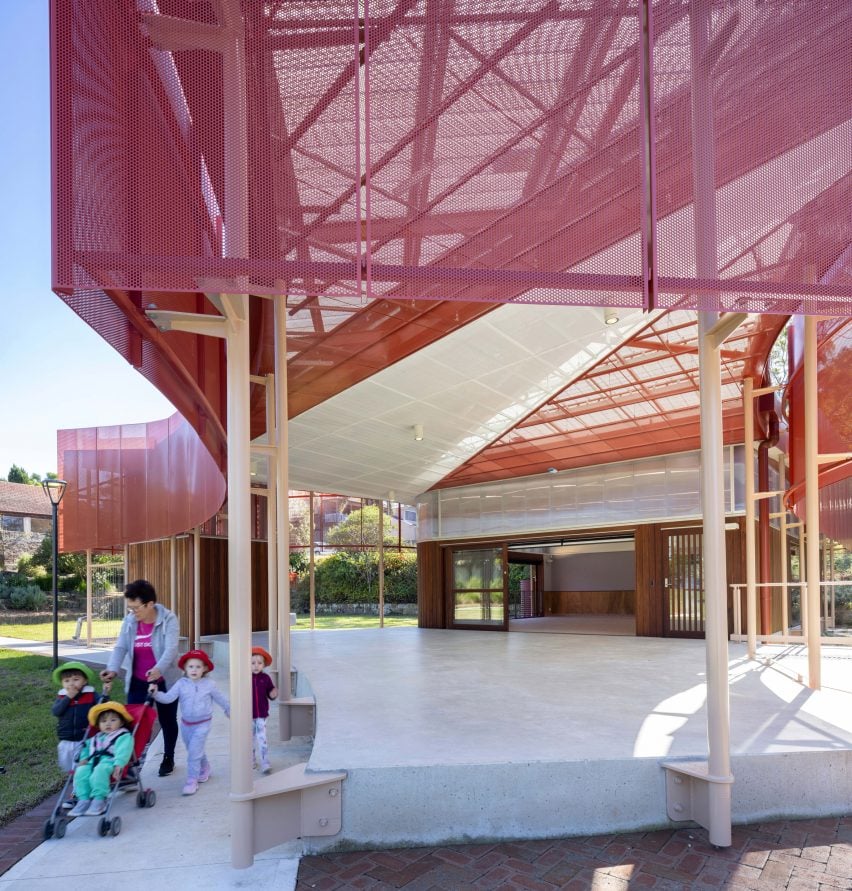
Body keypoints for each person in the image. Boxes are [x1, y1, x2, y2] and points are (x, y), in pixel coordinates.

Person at [100, 579, 180, 777]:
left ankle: (168, 757)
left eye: (136, 608)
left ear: (150, 604)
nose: (133, 612)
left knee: (167, 719)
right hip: (137, 680)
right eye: (130, 608)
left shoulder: (169, 619)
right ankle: (129, 765)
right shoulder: (130, 621)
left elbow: (171, 649)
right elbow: (121, 646)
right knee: (132, 722)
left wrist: (158, 669)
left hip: (164, 680)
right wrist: (112, 669)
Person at [149, 649, 229, 796]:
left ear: (204, 668)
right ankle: (205, 767)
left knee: (193, 753)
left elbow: (221, 699)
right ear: (185, 668)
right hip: (186, 725)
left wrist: (229, 710)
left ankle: (192, 780)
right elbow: (169, 698)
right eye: (191, 666)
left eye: (198, 667)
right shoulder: (181, 684)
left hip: (203, 724)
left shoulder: (209, 684)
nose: (194, 670)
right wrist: (156, 694)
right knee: (194, 749)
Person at [68, 701, 134, 817]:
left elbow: (124, 751)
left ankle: (99, 799)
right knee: (81, 772)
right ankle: (83, 799)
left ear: (122, 722)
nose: (108, 724)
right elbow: (86, 749)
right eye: (104, 721)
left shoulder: (123, 736)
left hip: (109, 761)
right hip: (91, 761)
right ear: (98, 725)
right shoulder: (95, 738)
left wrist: (119, 764)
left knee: (99, 771)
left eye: (113, 720)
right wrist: (83, 758)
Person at [250, 646, 278, 774]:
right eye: (252, 663)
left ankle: (265, 761)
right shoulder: (244, 678)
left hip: (261, 715)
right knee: (249, 739)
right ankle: (250, 760)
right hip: (247, 715)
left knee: (262, 738)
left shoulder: (265, 678)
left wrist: (273, 693)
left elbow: (270, 693)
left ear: (264, 665)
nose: (256, 666)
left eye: (259, 663)